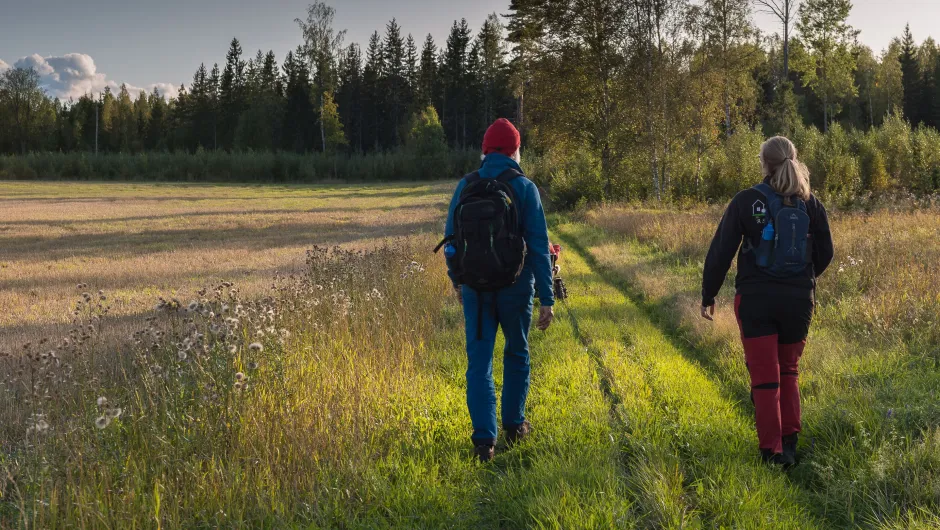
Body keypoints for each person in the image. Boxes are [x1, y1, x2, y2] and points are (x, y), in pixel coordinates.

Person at [700, 136, 834, 468]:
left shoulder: (747, 201)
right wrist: (803, 278)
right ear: (794, 159)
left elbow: (721, 251)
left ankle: (771, 451)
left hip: (756, 299)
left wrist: (709, 294)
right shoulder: (811, 203)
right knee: (788, 370)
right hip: (799, 301)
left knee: (765, 375)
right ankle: (790, 444)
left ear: (764, 163)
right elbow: (826, 253)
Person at [442, 118, 555, 463]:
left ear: (485, 150)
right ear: (516, 150)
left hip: (476, 288)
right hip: (515, 287)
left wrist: (458, 281)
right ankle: (514, 425)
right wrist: (547, 298)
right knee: (517, 353)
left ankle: (483, 442)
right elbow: (538, 246)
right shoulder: (524, 187)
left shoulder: (466, 185)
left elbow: (450, 242)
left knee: (479, 363)